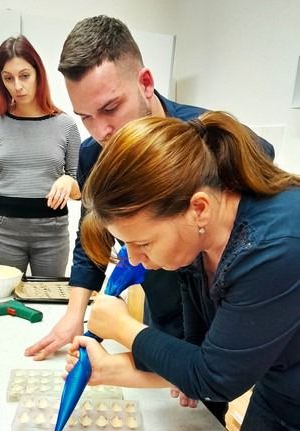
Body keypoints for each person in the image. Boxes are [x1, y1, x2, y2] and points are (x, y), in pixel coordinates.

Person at [66, 111, 300, 431]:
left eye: (143, 243)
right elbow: (195, 352)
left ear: (199, 209)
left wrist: (122, 327)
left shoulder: (274, 247)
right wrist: (109, 370)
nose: (134, 260)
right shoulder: (198, 240)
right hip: (277, 388)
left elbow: (214, 378)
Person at [25, 15, 274, 379]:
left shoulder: (209, 140)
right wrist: (75, 315)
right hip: (163, 309)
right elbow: (91, 238)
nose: (102, 131)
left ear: (145, 83)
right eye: (85, 117)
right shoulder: (93, 154)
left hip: (225, 316)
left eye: (110, 109)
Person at [0, 36, 81, 277]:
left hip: (52, 234)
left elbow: (81, 191)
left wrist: (69, 181)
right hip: (4, 233)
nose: (17, 86)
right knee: (5, 297)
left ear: (38, 74)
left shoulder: (66, 125)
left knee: (48, 295)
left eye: (24, 76)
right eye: (8, 78)